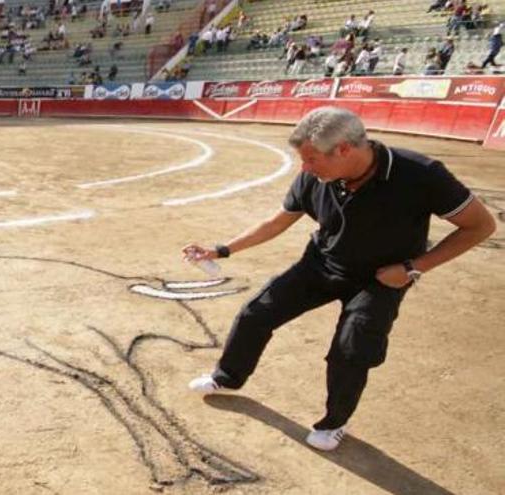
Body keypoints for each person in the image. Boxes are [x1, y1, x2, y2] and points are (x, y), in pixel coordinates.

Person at [184, 107, 496, 451]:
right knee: (256, 312)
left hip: (381, 279)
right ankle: (227, 377)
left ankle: (334, 422)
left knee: (351, 349)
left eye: (311, 159)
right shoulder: (315, 176)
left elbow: (481, 226)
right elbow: (277, 222)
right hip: (321, 264)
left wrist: (413, 268)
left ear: (344, 149)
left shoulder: (421, 174)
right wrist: (222, 250)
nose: (305, 168)